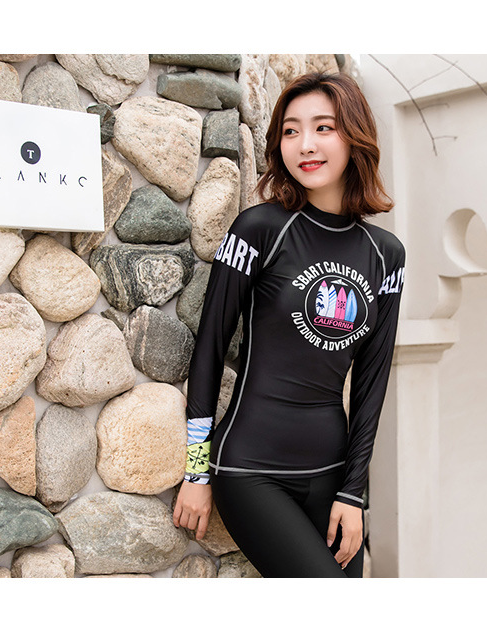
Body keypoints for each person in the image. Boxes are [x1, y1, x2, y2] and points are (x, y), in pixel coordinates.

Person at [172, 71, 405, 578]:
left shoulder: (386, 254)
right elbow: (209, 350)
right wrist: (197, 470)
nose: (306, 145)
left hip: (332, 476)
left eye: (323, 128)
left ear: (354, 136)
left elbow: (372, 380)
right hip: (251, 472)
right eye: (291, 131)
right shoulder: (260, 229)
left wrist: (354, 492)